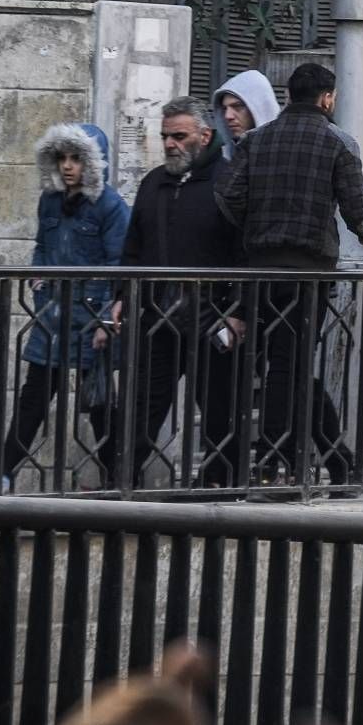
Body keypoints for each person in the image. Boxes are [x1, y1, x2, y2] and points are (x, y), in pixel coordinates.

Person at [217, 62, 363, 484]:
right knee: (289, 365)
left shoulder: (257, 140)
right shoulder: (338, 142)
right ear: (327, 98)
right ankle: (274, 457)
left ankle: (332, 461)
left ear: (288, 96)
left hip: (261, 271)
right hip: (309, 273)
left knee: (287, 365)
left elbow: (228, 196)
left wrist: (256, 224)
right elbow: (357, 209)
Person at [98, 99, 248, 488]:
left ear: (205, 136)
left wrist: (237, 311)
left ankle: (220, 487)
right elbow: (134, 247)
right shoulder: (154, 183)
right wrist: (121, 295)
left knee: (219, 410)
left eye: (179, 136)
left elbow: (244, 252)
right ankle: (120, 484)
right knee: (140, 407)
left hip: (212, 316)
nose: (169, 144)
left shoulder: (229, 181)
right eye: (165, 136)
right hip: (156, 316)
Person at [0, 124, 129, 494]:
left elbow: (119, 265)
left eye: (76, 158)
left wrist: (105, 318)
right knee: (33, 397)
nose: (67, 166)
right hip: (53, 316)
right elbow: (42, 247)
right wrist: (38, 281)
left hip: (91, 317)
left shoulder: (111, 206)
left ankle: (118, 481)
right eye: (62, 158)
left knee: (100, 404)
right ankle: (3, 475)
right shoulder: (50, 201)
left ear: (92, 162)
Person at [213, 68, 281, 158]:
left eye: (237, 106)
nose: (227, 116)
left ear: (259, 107)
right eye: (224, 109)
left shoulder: (286, 152)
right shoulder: (224, 160)